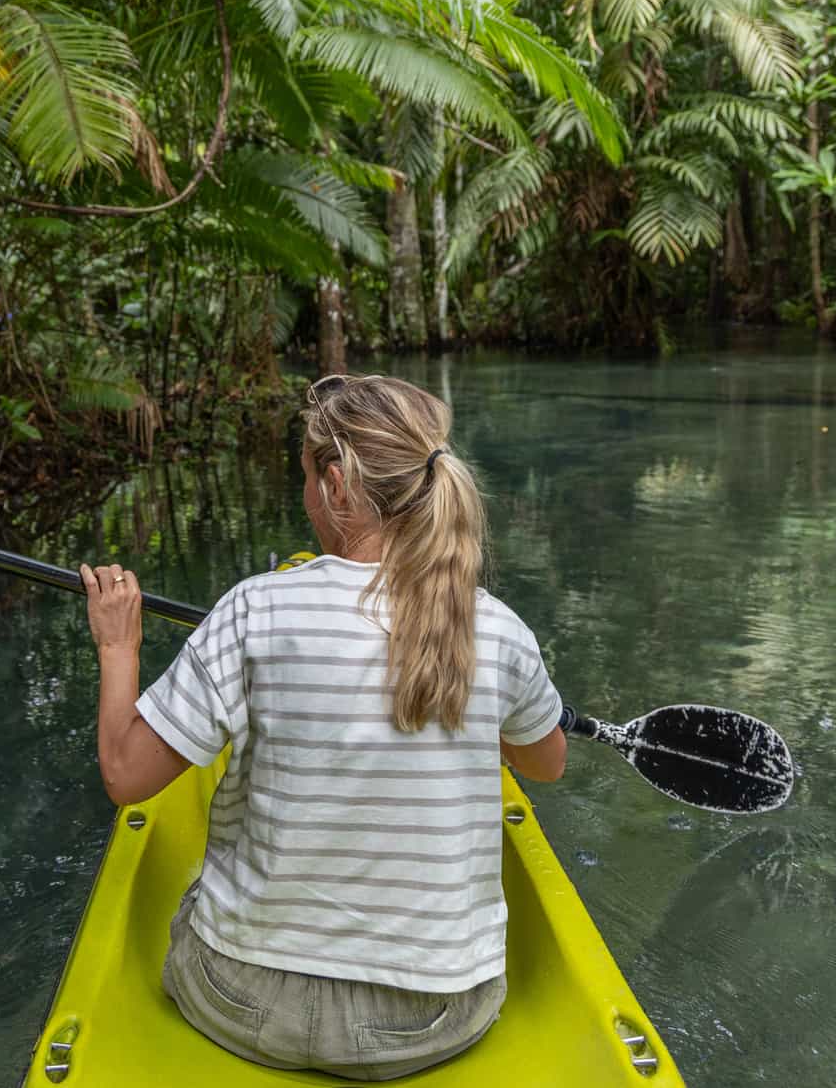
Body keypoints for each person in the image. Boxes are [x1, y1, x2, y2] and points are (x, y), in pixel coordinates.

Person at [78, 373, 568, 1080]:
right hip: (431, 1021)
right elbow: (545, 764)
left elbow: (126, 776)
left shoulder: (255, 608)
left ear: (336, 485)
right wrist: (475, 715)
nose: (304, 494)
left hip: (241, 1003)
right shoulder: (495, 628)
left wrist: (117, 645)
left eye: (305, 477)